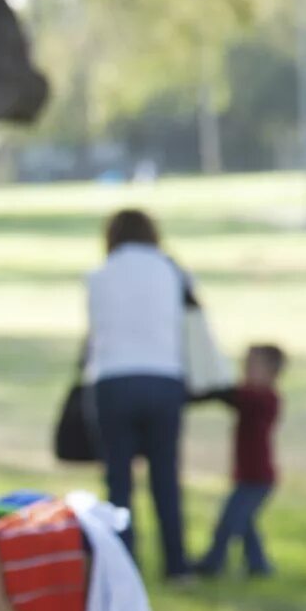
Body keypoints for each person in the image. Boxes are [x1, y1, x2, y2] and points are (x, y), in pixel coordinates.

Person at [85, 208, 191, 578]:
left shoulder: (100, 275)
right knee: (165, 474)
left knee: (118, 477)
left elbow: (96, 331)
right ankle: (176, 562)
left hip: (114, 380)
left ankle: (124, 559)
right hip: (164, 378)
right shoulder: (170, 270)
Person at [196, 344, 286, 579]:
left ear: (272, 373)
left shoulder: (266, 400)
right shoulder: (250, 396)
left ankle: (214, 562)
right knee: (246, 523)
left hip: (257, 478)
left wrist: (208, 387)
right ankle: (259, 565)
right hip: (247, 476)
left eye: (253, 366)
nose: (245, 371)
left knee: (230, 522)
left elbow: (233, 396)